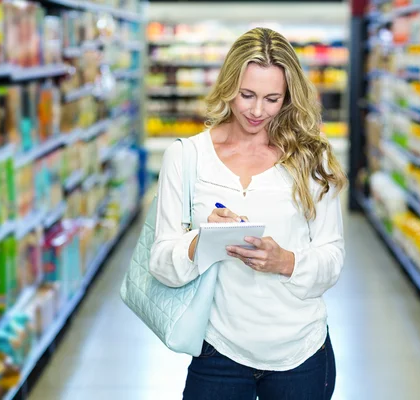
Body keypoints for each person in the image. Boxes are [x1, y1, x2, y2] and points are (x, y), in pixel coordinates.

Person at [149, 27, 347, 400]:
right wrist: (201, 240)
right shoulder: (188, 158)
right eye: (247, 95)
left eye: (272, 98)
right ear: (228, 87)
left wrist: (285, 261)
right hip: (218, 349)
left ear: (289, 97)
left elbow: (332, 258)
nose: (258, 111)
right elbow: (161, 262)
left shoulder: (311, 158)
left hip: (301, 352)